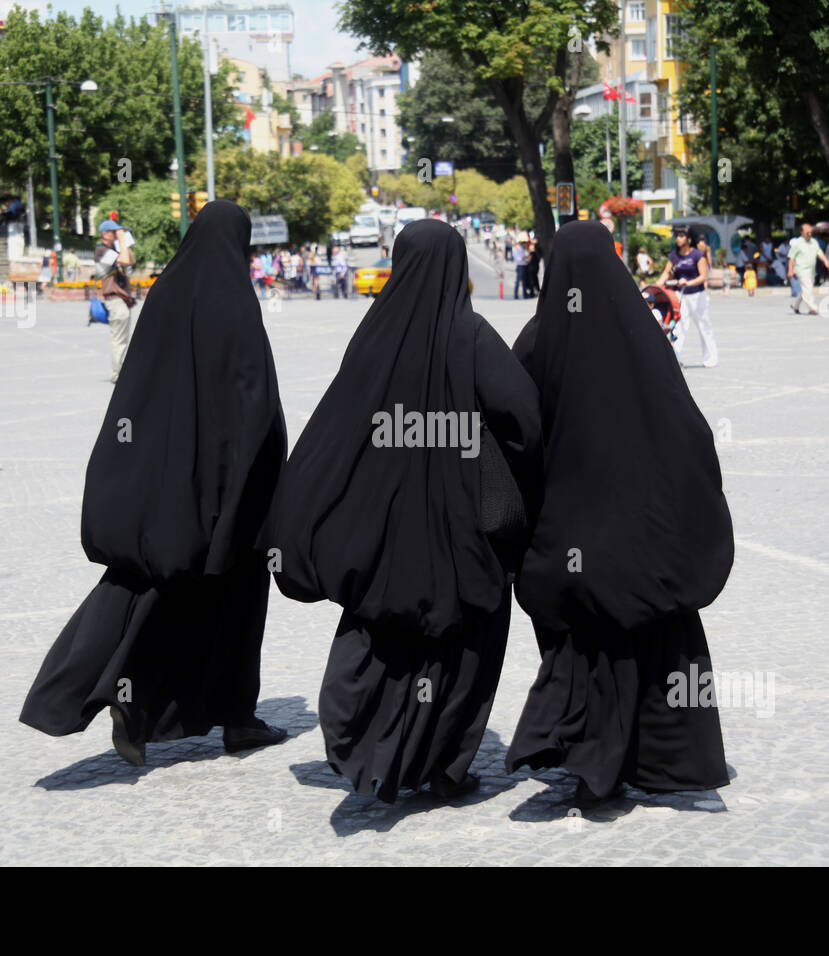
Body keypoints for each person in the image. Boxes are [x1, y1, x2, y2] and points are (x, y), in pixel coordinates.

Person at [263, 219, 540, 803]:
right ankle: (444, 766)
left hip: (386, 532)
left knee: (383, 631)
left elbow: (336, 426)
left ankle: (357, 740)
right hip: (462, 527)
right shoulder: (470, 335)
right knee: (465, 642)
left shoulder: (376, 333)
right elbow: (521, 415)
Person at [21, 200, 290, 764]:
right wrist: (262, 479)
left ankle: (132, 704)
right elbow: (254, 401)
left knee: (161, 594)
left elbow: (138, 386)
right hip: (229, 486)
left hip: (163, 480)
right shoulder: (235, 301)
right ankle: (236, 718)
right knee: (236, 602)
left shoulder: (166, 292)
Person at [505, 220, 734, 805]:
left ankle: (589, 760)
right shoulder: (641, 334)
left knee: (582, 642)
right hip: (643, 533)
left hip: (568, 533)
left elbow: (514, 437)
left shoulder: (537, 340)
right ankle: (665, 763)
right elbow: (686, 429)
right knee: (655, 639)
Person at [657, 227, 718, 367]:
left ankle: (711, 357)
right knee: (679, 325)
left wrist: (688, 282)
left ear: (689, 238)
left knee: (703, 325)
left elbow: (703, 276)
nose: (678, 238)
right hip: (681, 295)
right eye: (676, 236)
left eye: (681, 235)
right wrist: (656, 285)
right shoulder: (674, 255)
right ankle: (676, 357)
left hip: (697, 295)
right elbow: (666, 273)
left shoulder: (697, 255)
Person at [95, 220, 136, 384]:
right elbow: (124, 261)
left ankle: (121, 371)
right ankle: (117, 374)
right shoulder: (101, 250)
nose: (117, 234)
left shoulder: (115, 249)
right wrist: (122, 240)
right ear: (105, 234)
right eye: (114, 232)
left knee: (124, 338)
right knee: (119, 339)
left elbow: (130, 259)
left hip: (122, 299)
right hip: (115, 298)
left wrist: (123, 242)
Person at [786, 222, 829, 315]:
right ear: (802, 232)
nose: (809, 234)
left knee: (806, 290)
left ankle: (796, 306)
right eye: (807, 233)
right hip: (801, 270)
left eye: (811, 232)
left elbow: (819, 252)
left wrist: (825, 260)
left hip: (811, 271)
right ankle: (813, 308)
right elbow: (791, 258)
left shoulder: (814, 242)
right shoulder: (797, 243)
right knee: (808, 289)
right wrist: (790, 270)